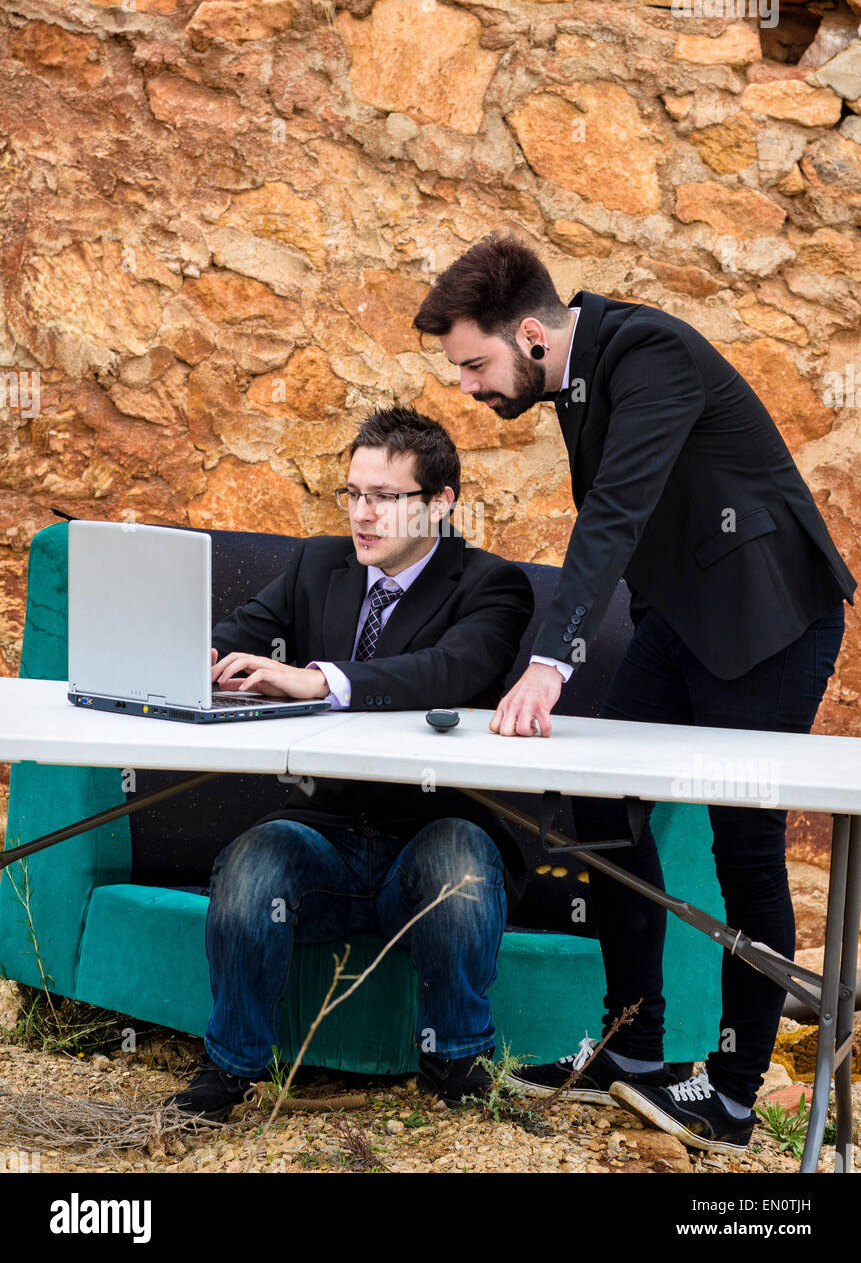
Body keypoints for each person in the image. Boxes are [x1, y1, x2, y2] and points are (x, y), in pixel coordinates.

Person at [412, 230, 856, 1154]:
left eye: (473, 364)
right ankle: (634, 1049)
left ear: (530, 335)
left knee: (745, 842)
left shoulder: (649, 353)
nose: (465, 388)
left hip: (771, 623)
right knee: (601, 797)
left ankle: (732, 1098)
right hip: (682, 621)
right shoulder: (576, 373)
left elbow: (613, 513)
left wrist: (551, 661)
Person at [167, 404, 533, 1121]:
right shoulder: (317, 563)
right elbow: (242, 631)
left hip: (430, 833)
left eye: (384, 499)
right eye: (353, 494)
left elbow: (452, 670)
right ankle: (230, 1068)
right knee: (254, 862)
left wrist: (322, 679)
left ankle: (456, 1063)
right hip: (323, 837)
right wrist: (192, 657)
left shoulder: (491, 583)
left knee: (457, 857)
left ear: (439, 504)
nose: (362, 515)